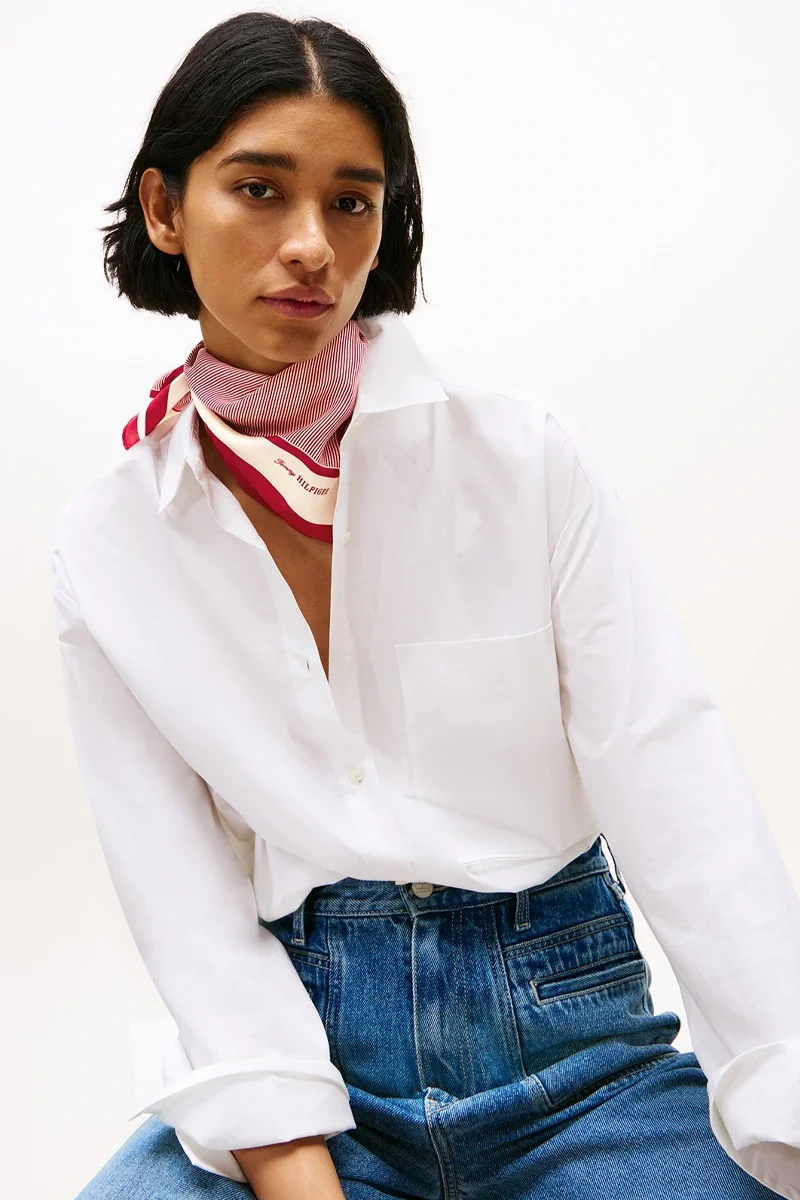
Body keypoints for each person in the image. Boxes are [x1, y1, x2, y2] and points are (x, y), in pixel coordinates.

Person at [51, 11, 800, 1200]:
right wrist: (293, 1167)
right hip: (305, 1073)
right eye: (258, 189)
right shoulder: (110, 544)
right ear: (163, 207)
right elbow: (181, 898)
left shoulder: (520, 462)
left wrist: (782, 1105)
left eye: (351, 201)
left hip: (578, 1068)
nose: (311, 244)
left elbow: (677, 793)